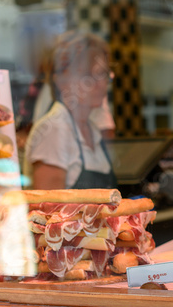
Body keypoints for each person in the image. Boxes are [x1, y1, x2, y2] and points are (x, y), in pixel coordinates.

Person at [25, 31, 117, 190]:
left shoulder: (92, 129)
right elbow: (49, 209)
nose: (100, 83)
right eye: (88, 75)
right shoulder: (54, 129)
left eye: (102, 74)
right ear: (60, 80)